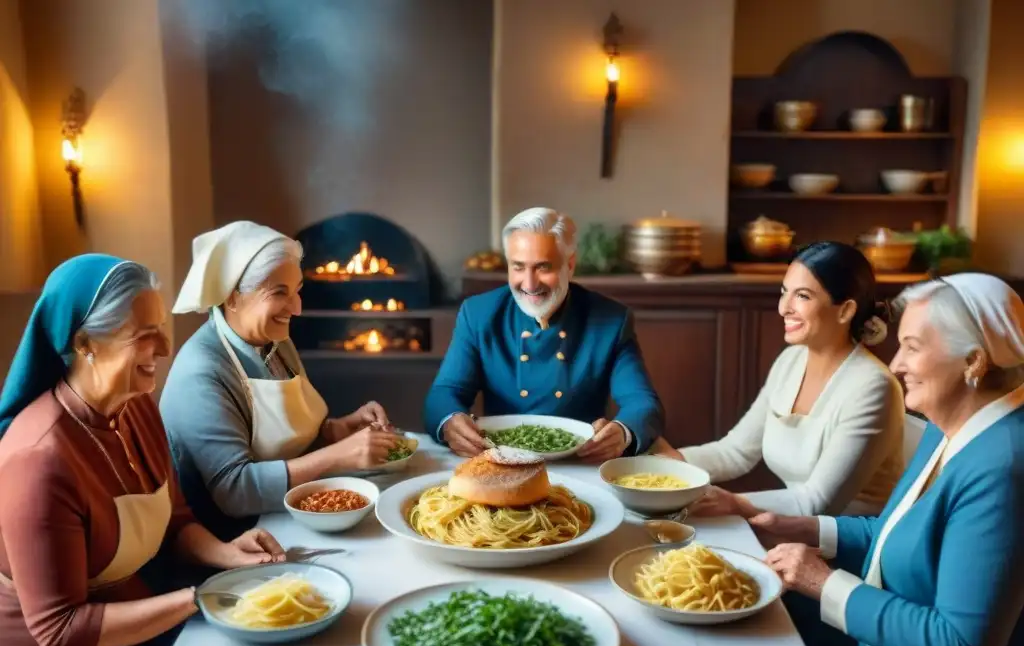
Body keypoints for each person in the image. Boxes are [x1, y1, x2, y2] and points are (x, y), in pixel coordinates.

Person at [0, 255, 285, 646]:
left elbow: (172, 518)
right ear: (85, 343)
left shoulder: (135, 406)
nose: (168, 348)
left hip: (135, 609)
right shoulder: (37, 460)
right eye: (144, 334)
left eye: (163, 329)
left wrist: (225, 554)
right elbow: (61, 632)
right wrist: (197, 600)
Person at [754, 274, 1024, 646]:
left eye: (912, 348)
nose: (895, 364)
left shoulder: (1003, 467)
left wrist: (823, 582)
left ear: (974, 362)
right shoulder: (953, 423)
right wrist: (800, 528)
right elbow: (897, 533)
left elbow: (961, 645)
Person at [161, 221, 402, 541]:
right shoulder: (202, 373)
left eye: (297, 291)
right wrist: (339, 454)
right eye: (279, 293)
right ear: (232, 297)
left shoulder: (274, 343)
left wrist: (334, 432)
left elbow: (282, 443)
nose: (297, 308)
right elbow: (235, 492)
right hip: (237, 538)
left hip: (286, 513)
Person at [653, 242, 905, 518]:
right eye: (784, 293)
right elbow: (737, 452)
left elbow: (816, 502)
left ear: (845, 311)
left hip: (847, 545)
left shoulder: (872, 387)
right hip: (792, 530)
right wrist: (670, 464)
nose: (784, 308)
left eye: (803, 296)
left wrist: (735, 503)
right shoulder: (791, 360)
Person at [423, 207, 664, 462]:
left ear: (569, 266)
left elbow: (642, 401)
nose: (529, 284)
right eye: (518, 267)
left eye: (542, 267)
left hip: (580, 461)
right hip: (502, 461)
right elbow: (445, 391)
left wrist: (623, 432)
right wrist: (449, 421)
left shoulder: (611, 320)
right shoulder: (478, 314)